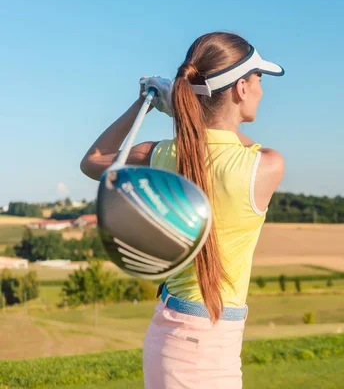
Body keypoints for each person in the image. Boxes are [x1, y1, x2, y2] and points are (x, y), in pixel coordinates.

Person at [80, 31, 285, 388]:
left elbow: (93, 160)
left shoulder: (158, 154)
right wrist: (186, 110)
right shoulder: (265, 165)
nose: (261, 90)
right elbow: (236, 147)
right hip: (206, 343)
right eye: (258, 79)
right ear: (240, 88)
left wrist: (152, 104)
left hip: (174, 335)